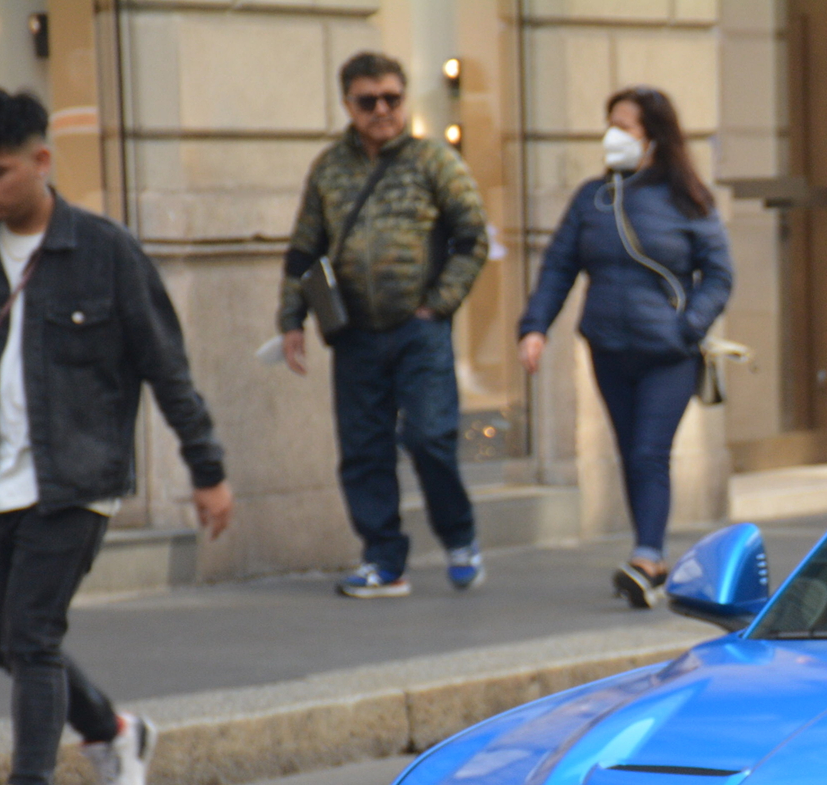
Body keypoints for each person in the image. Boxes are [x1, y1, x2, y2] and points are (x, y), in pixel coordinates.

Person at [0, 87, 232, 785]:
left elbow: (166, 367)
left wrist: (207, 470)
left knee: (34, 633)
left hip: (77, 477)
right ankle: (113, 732)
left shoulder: (104, 250)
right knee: (6, 642)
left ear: (42, 160)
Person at [279, 51, 488, 599]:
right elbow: (303, 251)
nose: (381, 110)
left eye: (392, 98)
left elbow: (473, 239)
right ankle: (384, 560)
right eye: (368, 101)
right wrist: (292, 319)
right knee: (364, 450)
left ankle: (459, 537)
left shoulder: (433, 161)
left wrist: (439, 304)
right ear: (348, 103)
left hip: (419, 329)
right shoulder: (329, 168)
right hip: (354, 334)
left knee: (428, 438)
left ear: (404, 98)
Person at [518, 86, 732, 608]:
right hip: (609, 347)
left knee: (648, 452)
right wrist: (535, 325)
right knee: (630, 450)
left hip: (669, 353)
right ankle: (650, 560)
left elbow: (720, 274)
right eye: (609, 124)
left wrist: (690, 326)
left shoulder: (688, 199)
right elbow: (559, 266)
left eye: (625, 126)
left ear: (653, 137)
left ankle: (646, 554)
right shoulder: (593, 199)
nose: (613, 136)